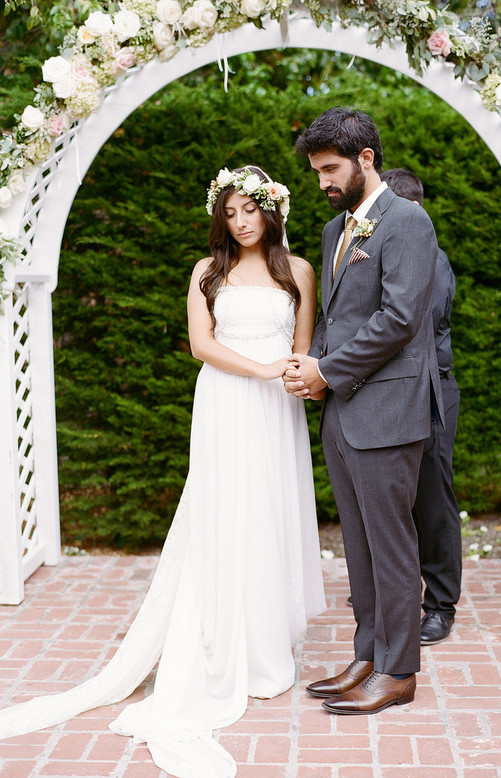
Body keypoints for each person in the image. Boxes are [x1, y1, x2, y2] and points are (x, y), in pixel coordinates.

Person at [0, 165, 326, 778]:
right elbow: (202, 346)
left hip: (276, 412)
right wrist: (260, 373)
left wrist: (296, 381)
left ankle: (265, 649)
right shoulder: (208, 272)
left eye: (249, 210)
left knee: (270, 511)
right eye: (229, 213)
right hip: (228, 401)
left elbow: (304, 348)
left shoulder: (300, 271)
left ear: (272, 210)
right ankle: (221, 643)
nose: (240, 222)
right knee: (226, 511)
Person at [284, 108, 443, 715]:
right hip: (344, 414)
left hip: (390, 412)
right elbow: (337, 317)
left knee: (392, 545)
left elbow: (399, 320)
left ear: (366, 159)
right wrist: (314, 369)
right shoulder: (334, 232)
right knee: (359, 545)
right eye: (316, 170)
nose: (321, 181)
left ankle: (399, 672)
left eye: (330, 169)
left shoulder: (408, 221)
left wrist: (329, 369)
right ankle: (369, 655)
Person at [381, 167, 461, 645]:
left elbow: (410, 323)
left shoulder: (430, 257)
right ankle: (396, 590)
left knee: (432, 497)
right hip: (393, 390)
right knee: (394, 494)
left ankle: (441, 604)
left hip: (432, 391)